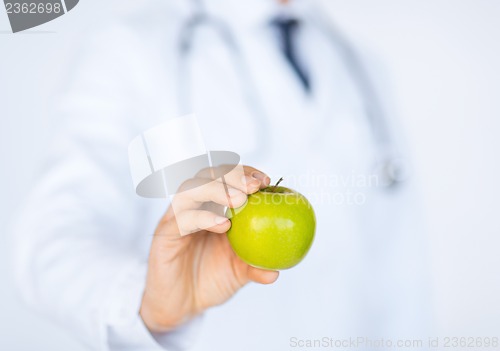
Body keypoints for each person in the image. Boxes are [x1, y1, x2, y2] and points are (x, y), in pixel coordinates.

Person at [11, 0, 430, 350]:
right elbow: (50, 246)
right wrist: (147, 302)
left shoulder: (362, 67)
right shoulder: (132, 50)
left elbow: (399, 264)